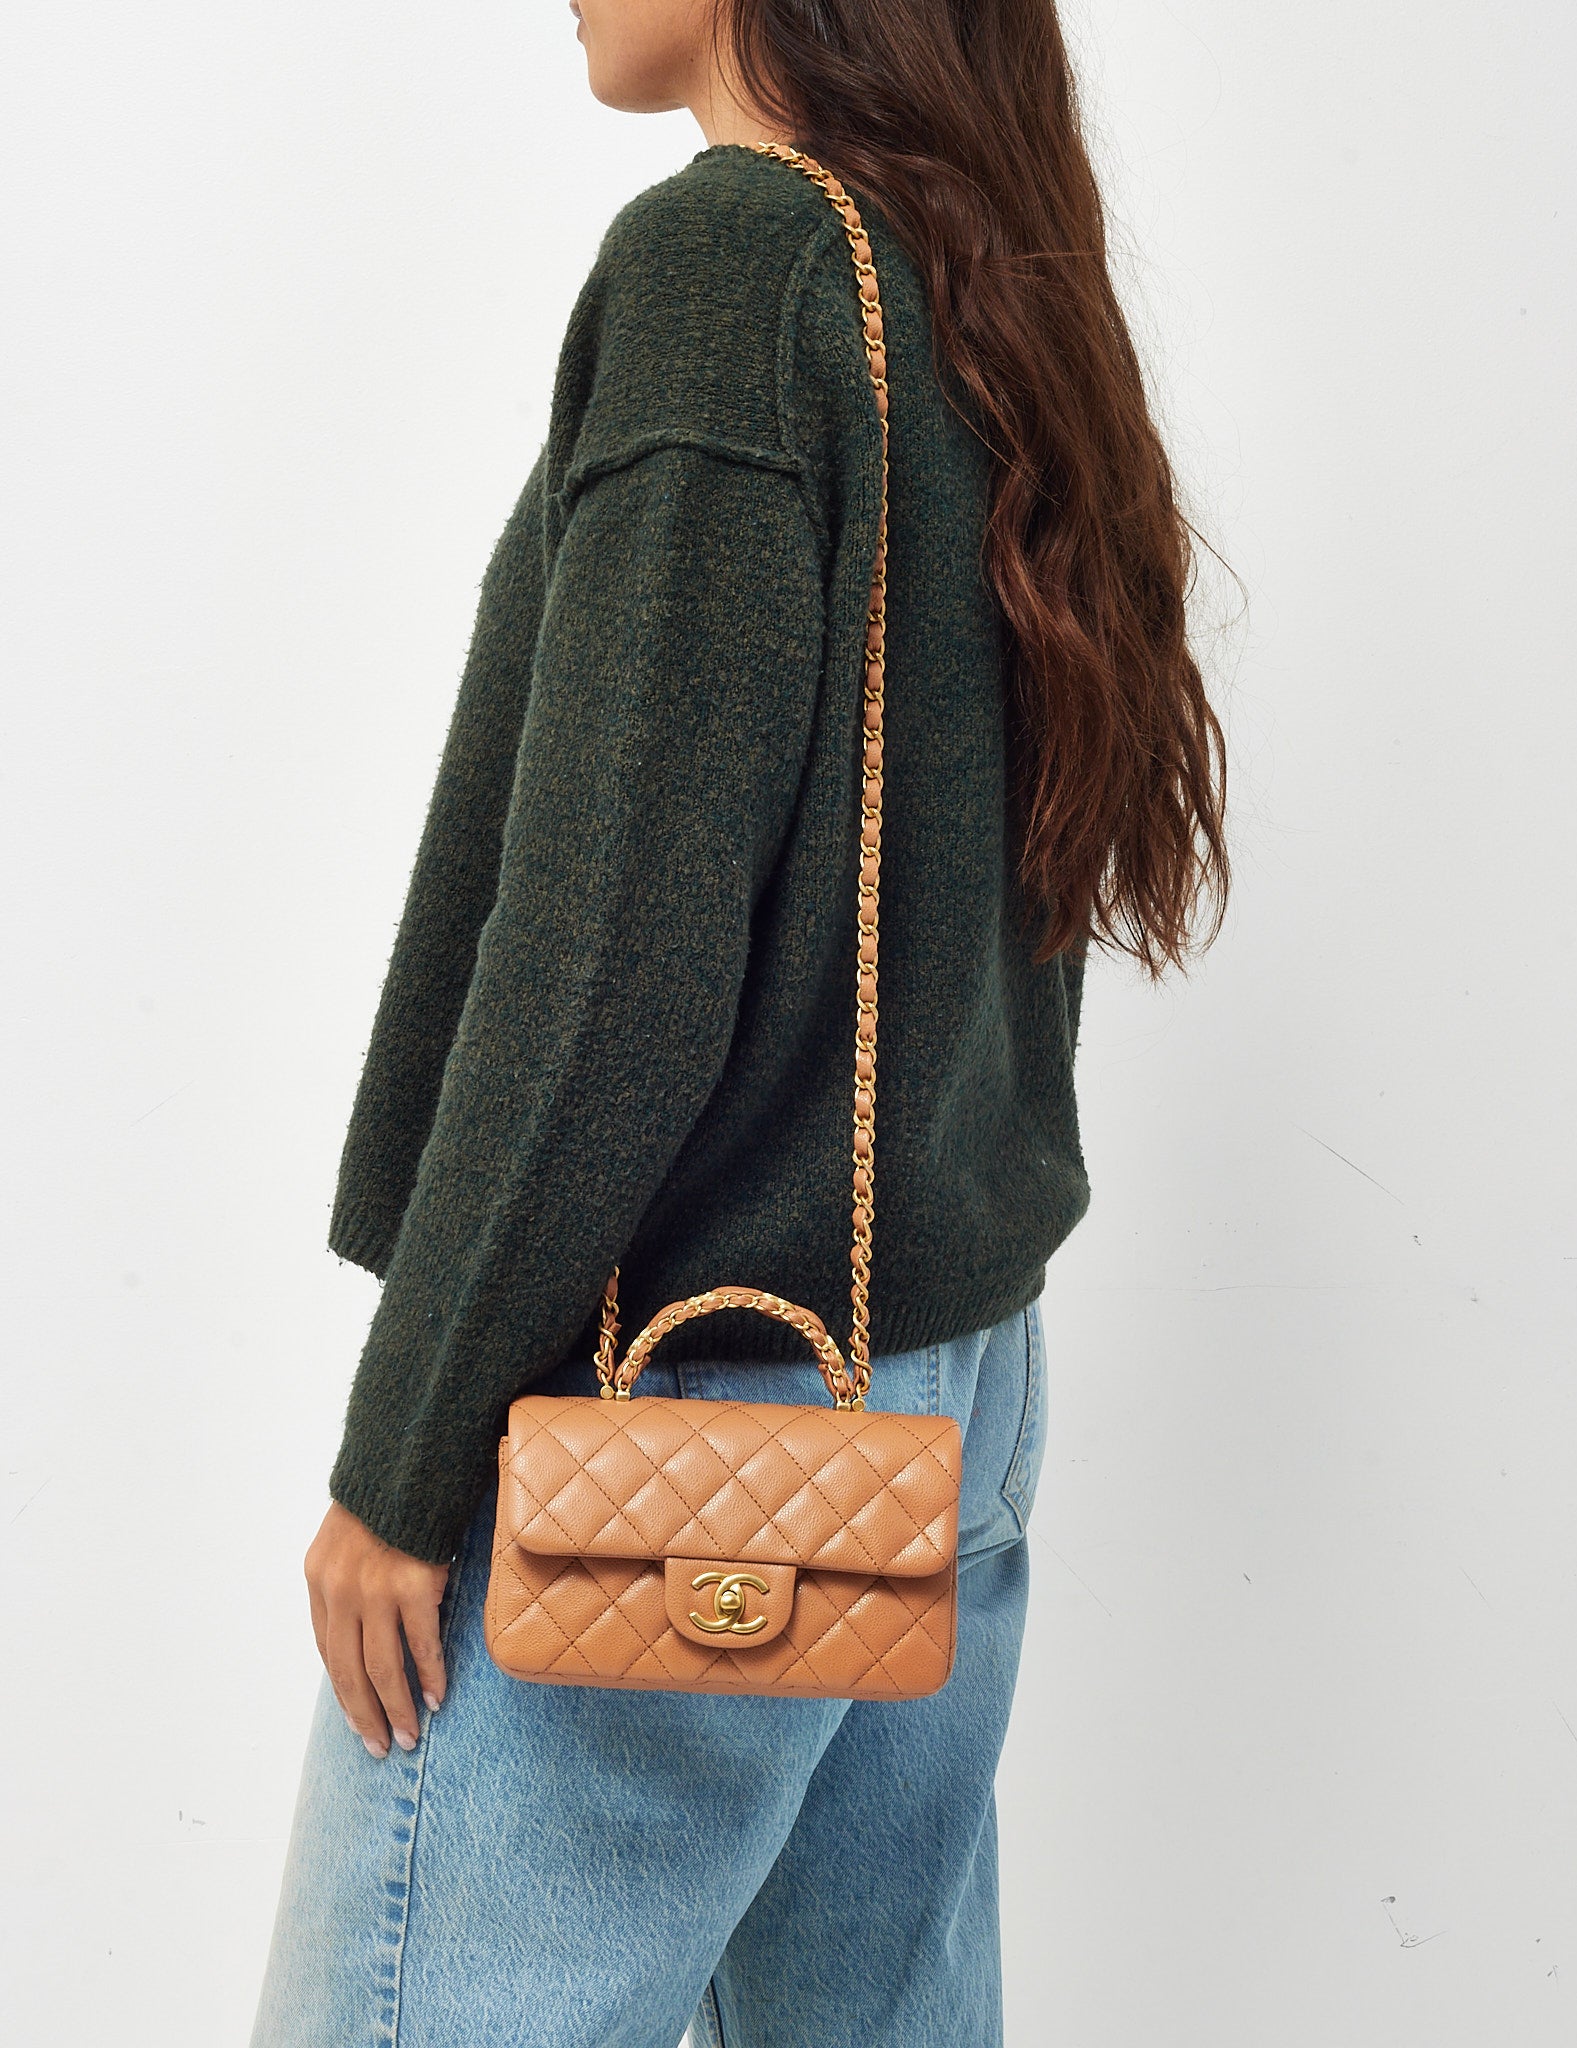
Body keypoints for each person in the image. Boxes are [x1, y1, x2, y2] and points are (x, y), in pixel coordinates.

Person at [252, 1, 1228, 2042]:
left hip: (686, 1408)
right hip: (940, 1397)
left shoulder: (736, 264)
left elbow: (616, 943)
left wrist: (402, 1459)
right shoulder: (969, 283)